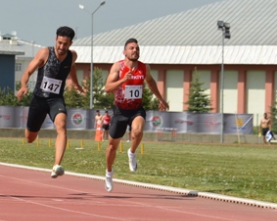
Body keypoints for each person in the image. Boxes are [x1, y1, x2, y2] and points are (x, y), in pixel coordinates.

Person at [16, 26, 86, 178]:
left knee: (61, 125)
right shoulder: (45, 53)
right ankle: (34, 128)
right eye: (60, 43)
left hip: (56, 99)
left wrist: (76, 84)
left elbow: (72, 69)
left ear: (70, 44)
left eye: (65, 44)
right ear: (56, 40)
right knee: (30, 138)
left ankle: (57, 166)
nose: (62, 47)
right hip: (39, 99)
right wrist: (23, 86)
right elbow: (28, 71)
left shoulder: (72, 56)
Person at [103, 38, 168, 192]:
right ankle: (109, 173)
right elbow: (107, 88)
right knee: (112, 147)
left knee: (137, 131)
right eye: (131, 48)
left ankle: (131, 152)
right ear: (124, 52)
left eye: (137, 48)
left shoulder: (144, 68)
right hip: (120, 110)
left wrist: (161, 99)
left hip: (136, 109)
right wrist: (123, 80)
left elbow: (151, 83)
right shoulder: (118, 67)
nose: (135, 50)